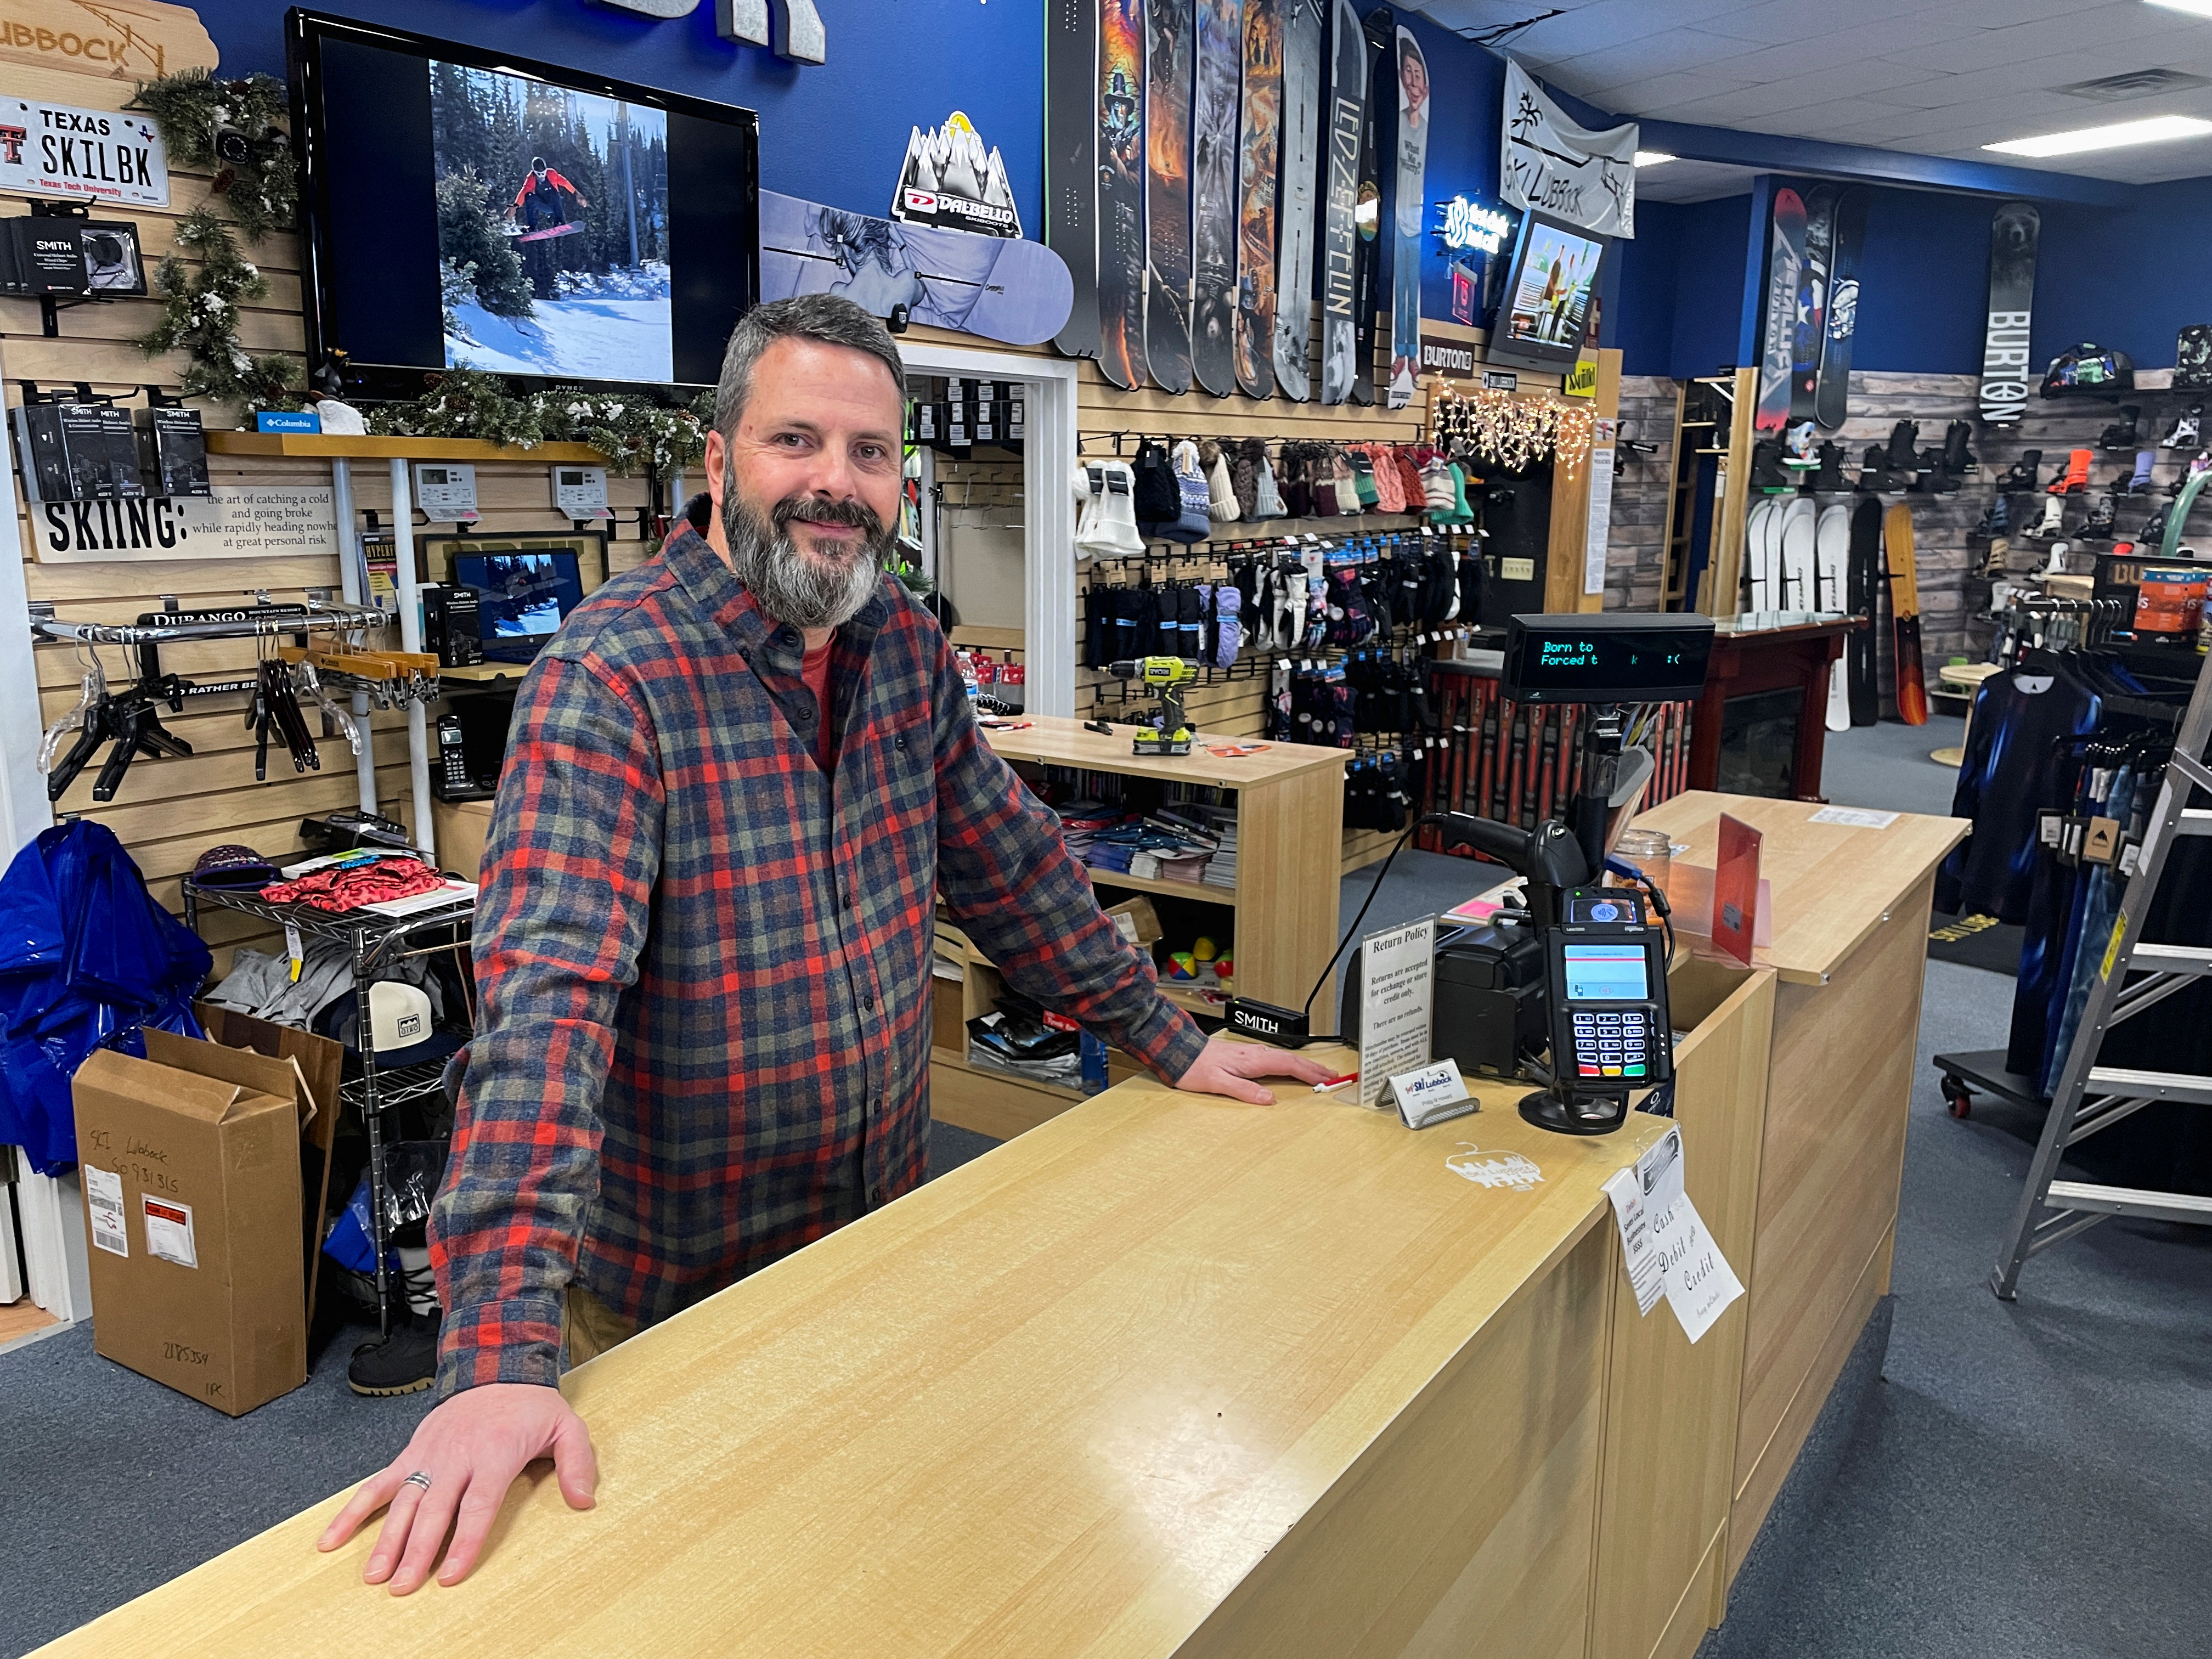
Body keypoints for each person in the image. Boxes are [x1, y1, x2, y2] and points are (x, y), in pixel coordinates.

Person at [317, 295, 1333, 1594]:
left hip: (877, 1248)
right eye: (796, 440)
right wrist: (499, 1363)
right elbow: (546, 1019)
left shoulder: (900, 641)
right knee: (703, 1601)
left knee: (886, 1577)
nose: (836, 484)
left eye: (869, 452)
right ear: (719, 458)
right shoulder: (611, 679)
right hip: (675, 1299)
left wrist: (1169, 1040)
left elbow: (1013, 867)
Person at [509, 155, 588, 233]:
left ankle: (560, 222)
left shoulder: (552, 174)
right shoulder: (531, 178)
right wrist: (516, 206)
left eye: (543, 173)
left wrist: (576, 193)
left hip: (556, 205)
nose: (542, 176)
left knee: (554, 193)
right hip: (543, 204)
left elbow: (565, 182)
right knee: (529, 197)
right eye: (539, 174)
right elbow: (524, 191)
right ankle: (531, 227)